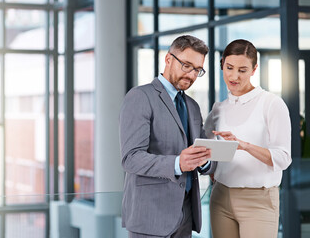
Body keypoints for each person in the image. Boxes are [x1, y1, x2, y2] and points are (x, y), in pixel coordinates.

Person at [119, 35, 216, 238]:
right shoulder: (140, 97)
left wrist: (206, 160)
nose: (191, 75)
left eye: (197, 70)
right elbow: (131, 158)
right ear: (168, 59)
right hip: (150, 216)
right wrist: (178, 163)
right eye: (186, 65)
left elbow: (204, 156)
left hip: (185, 214)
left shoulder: (192, 106)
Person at [204, 39, 292, 238]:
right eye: (229, 68)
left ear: (254, 70)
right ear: (222, 65)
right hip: (220, 197)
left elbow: (283, 157)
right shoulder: (219, 109)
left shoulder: (271, 104)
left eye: (242, 70)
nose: (234, 76)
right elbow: (204, 146)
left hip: (258, 201)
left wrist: (244, 146)